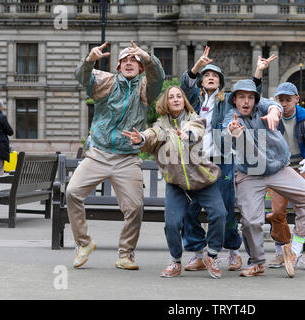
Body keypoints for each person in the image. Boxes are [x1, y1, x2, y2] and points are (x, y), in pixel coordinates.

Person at [68, 41, 165, 270]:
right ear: (119, 66)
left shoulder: (144, 88)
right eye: (125, 60)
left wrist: (148, 58)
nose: (129, 63)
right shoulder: (106, 81)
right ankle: (84, 243)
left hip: (127, 158)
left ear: (141, 68)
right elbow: (82, 77)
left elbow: (158, 78)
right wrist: (90, 60)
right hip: (99, 154)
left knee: (134, 208)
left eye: (135, 60)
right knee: (72, 192)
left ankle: (125, 254)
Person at [180, 46, 277, 272]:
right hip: (195, 160)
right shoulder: (193, 100)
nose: (210, 78)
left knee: (226, 207)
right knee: (190, 208)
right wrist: (197, 67)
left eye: (215, 76)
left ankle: (233, 251)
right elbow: (186, 85)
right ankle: (197, 253)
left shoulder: (226, 102)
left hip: (221, 159)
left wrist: (258, 71)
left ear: (221, 82)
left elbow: (249, 95)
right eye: (207, 75)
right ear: (202, 81)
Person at [122, 86, 227, 279]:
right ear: (166, 102)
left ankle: (211, 255)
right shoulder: (161, 126)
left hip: (202, 179)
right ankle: (175, 261)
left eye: (179, 96)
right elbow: (152, 135)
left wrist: (186, 135)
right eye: (172, 97)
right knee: (172, 223)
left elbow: (196, 130)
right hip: (176, 183)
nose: (176, 99)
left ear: (184, 100)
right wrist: (142, 138)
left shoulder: (195, 119)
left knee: (220, 214)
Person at [223, 79, 305, 278]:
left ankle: (294, 249)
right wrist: (233, 132)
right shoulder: (230, 117)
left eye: (250, 97)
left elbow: (273, 105)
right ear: (234, 100)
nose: (246, 101)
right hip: (249, 175)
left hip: (278, 169)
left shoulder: (264, 106)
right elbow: (227, 131)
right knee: (250, 222)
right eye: (241, 97)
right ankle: (257, 262)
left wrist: (275, 111)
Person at [265, 82, 305, 271]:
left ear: (297, 99)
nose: (285, 103)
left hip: (303, 167)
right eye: (281, 100)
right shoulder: (272, 117)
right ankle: (282, 251)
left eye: (288, 100)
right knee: (277, 211)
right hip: (281, 169)